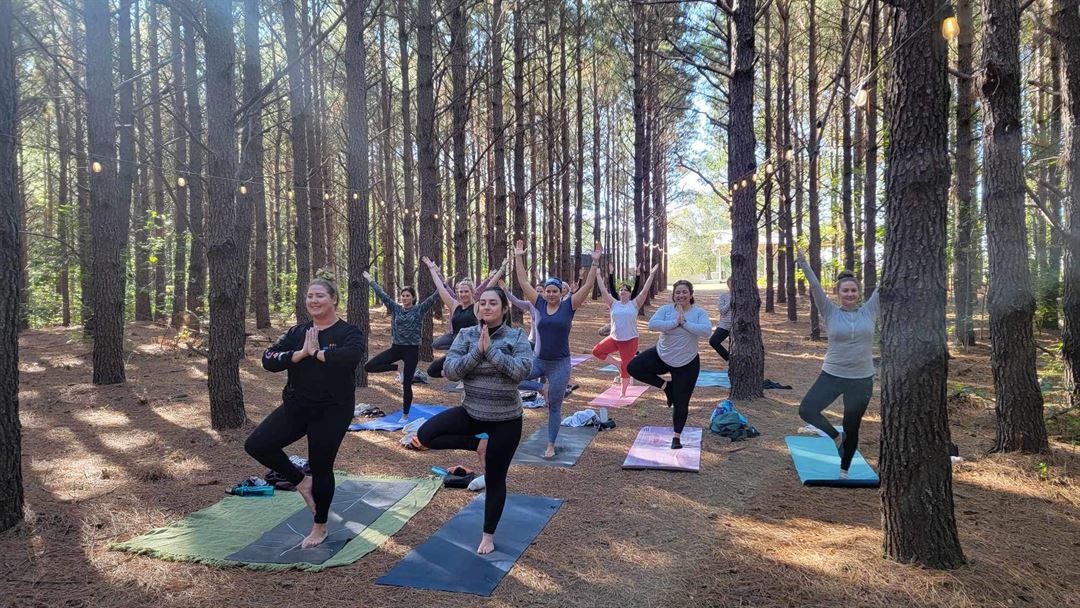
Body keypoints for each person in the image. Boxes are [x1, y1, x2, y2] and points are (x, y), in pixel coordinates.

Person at [244, 279, 365, 549]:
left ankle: (319, 526)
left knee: (321, 466)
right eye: (309, 296)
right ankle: (301, 481)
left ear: (334, 299)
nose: (313, 301)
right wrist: (298, 354)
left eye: (319, 295)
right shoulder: (297, 332)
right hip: (296, 407)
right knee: (257, 445)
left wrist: (318, 353)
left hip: (332, 411)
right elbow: (268, 359)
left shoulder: (348, 332)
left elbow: (350, 357)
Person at [412, 286, 533, 555]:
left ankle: (488, 535)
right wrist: (477, 351)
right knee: (425, 435)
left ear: (504, 309)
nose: (486, 307)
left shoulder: (516, 337)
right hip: (471, 413)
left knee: (495, 478)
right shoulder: (466, 335)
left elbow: (522, 372)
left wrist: (492, 352)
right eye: (483, 303)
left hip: (505, 420)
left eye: (493, 303)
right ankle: (478, 444)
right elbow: (450, 371)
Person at [513, 239, 601, 458]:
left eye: (555, 291)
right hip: (538, 360)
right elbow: (523, 281)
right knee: (511, 377)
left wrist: (595, 262)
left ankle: (550, 445)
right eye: (548, 291)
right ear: (544, 292)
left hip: (559, 365)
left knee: (554, 406)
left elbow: (588, 286)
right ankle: (540, 387)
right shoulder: (539, 303)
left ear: (561, 292)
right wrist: (518, 257)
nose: (551, 294)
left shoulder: (569, 305)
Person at [795, 251, 880, 479]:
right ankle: (834, 436)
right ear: (838, 293)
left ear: (858, 293)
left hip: (861, 379)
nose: (850, 294)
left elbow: (884, 285)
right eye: (845, 291)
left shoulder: (869, 311)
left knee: (852, 424)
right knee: (807, 410)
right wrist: (803, 263)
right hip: (833, 374)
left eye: (853, 290)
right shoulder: (830, 311)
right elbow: (815, 287)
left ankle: (844, 470)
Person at [628, 280, 712, 449]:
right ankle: (667, 386)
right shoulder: (666, 310)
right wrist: (675, 322)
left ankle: (676, 437)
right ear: (673, 296)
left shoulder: (698, 312)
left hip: (687, 363)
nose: (681, 295)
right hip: (662, 356)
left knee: (681, 402)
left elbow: (706, 331)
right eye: (677, 292)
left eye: (684, 292)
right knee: (633, 367)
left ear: (691, 294)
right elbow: (652, 325)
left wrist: (685, 323)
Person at [362, 271, 440, 422]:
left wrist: (444, 284)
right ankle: (397, 368)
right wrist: (371, 280)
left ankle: (405, 415)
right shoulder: (396, 308)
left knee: (406, 385)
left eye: (407, 296)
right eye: (403, 296)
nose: (404, 298)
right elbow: (382, 295)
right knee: (368, 366)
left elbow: (435, 297)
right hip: (396, 348)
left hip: (411, 351)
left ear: (413, 298)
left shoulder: (419, 309)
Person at [422, 256, 505, 377]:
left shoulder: (477, 307)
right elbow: (440, 288)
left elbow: (489, 286)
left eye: (466, 291)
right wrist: (431, 269)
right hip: (457, 348)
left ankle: (466, 375)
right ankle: (460, 375)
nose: (463, 294)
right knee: (432, 370)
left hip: (472, 350)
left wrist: (502, 269)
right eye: (460, 292)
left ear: (472, 292)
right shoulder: (454, 306)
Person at [593, 263, 659, 396]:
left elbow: (645, 290)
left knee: (626, 368)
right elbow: (603, 290)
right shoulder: (613, 303)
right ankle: (617, 363)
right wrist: (598, 275)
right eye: (621, 290)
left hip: (630, 340)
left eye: (626, 290)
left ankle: (623, 392)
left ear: (630, 293)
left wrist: (651, 274)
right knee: (597, 351)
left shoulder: (635, 304)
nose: (623, 292)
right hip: (614, 338)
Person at [709, 276, 734, 363]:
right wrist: (730, 302)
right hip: (724, 325)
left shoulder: (743, 296)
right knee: (713, 341)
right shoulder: (723, 296)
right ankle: (729, 359)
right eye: (731, 283)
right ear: (728, 284)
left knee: (734, 347)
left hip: (737, 326)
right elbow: (722, 311)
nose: (733, 285)